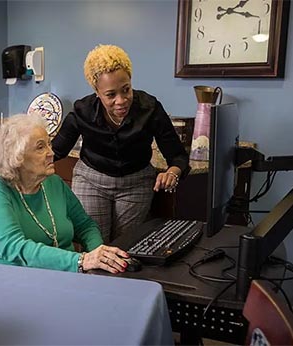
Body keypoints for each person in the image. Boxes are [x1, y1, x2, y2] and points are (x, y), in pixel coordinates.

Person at [52, 44, 190, 243]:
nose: (121, 100)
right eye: (110, 95)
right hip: (91, 180)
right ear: (97, 92)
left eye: (126, 90)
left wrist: (172, 173)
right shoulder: (83, 111)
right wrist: (15, 169)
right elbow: (55, 150)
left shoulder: (150, 108)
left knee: (124, 246)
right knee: (95, 245)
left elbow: (177, 156)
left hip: (136, 183)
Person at [0, 113, 129, 274]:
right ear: (17, 156)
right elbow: (15, 248)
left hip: (59, 274)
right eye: (41, 147)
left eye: (49, 144)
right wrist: (81, 260)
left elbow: (85, 226)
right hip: (4, 277)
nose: (51, 153)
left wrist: (99, 255)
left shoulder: (54, 183)